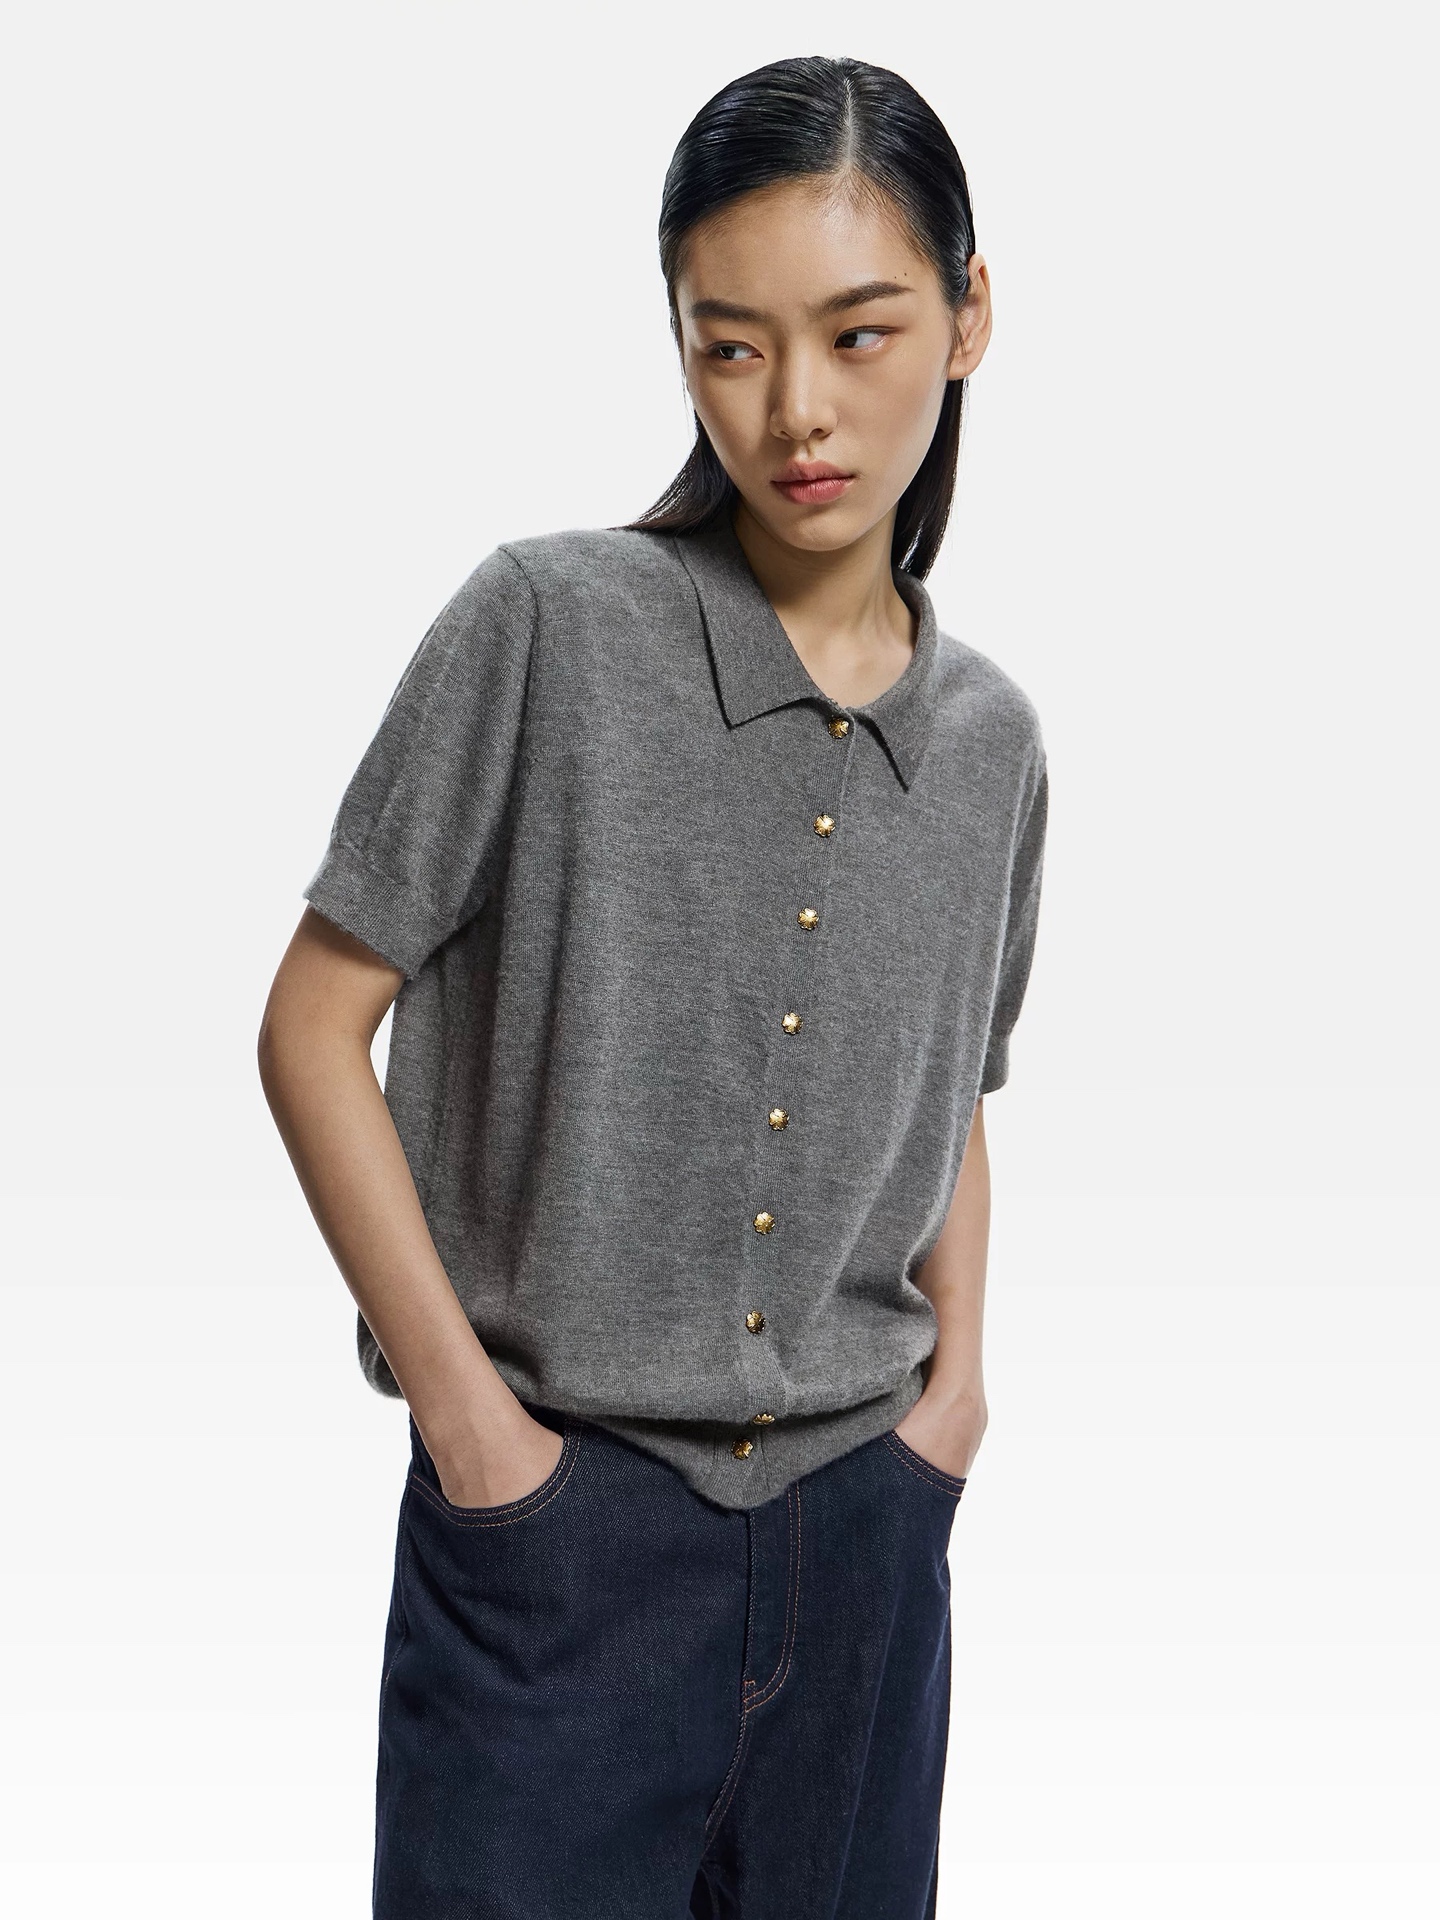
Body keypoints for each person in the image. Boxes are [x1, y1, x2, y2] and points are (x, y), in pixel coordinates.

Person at [258, 52, 1047, 1920]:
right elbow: (310, 1024)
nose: (798, 411)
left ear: (969, 316)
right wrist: (476, 1431)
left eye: (860, 334)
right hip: (556, 1544)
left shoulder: (995, 743)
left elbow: (956, 1092)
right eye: (731, 345)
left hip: (869, 1550)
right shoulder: (547, 627)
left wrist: (956, 1402)